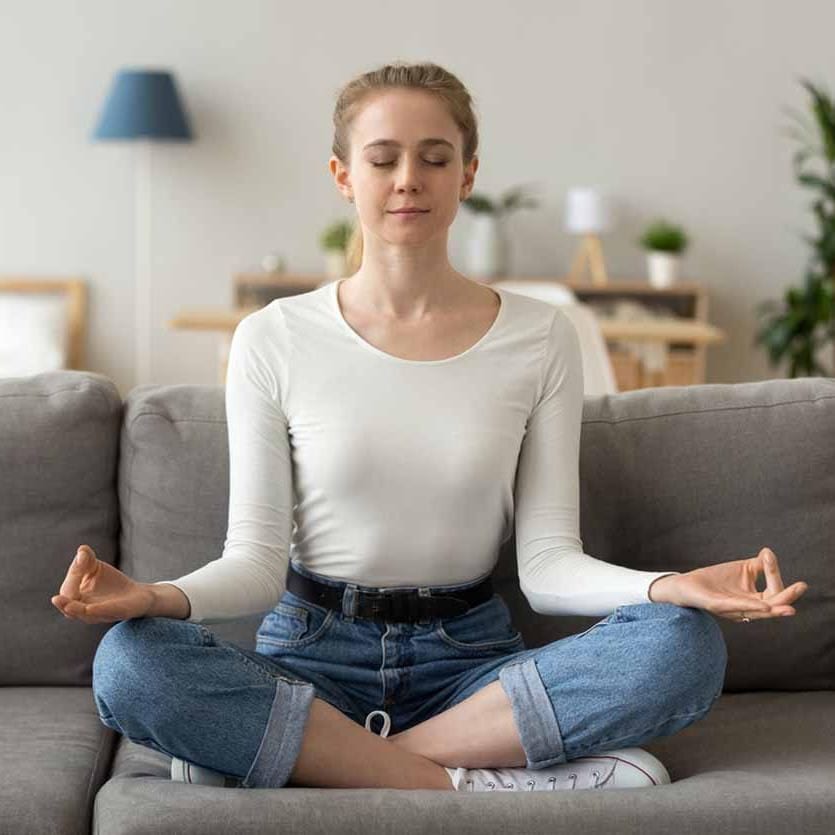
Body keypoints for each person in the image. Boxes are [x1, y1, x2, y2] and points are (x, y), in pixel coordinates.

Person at [51, 60, 808, 794]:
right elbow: (252, 564)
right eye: (382, 159)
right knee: (131, 659)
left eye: (434, 158)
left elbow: (546, 565)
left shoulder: (540, 336)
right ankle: (464, 781)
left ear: (467, 175)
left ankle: (303, 761)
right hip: (314, 653)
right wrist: (150, 596)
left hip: (470, 664)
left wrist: (670, 586)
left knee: (681, 641)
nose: (407, 177)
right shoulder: (273, 336)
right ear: (344, 176)